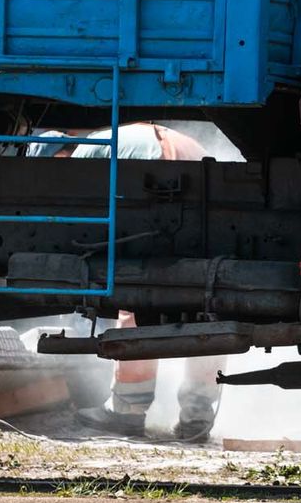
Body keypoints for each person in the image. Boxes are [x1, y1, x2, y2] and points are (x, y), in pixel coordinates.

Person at [26, 123, 226, 442]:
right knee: (203, 305)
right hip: (203, 178)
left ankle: (128, 413)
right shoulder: (110, 142)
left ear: (59, 155)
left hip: (163, 176)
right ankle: (197, 415)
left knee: (136, 301)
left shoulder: (87, 157)